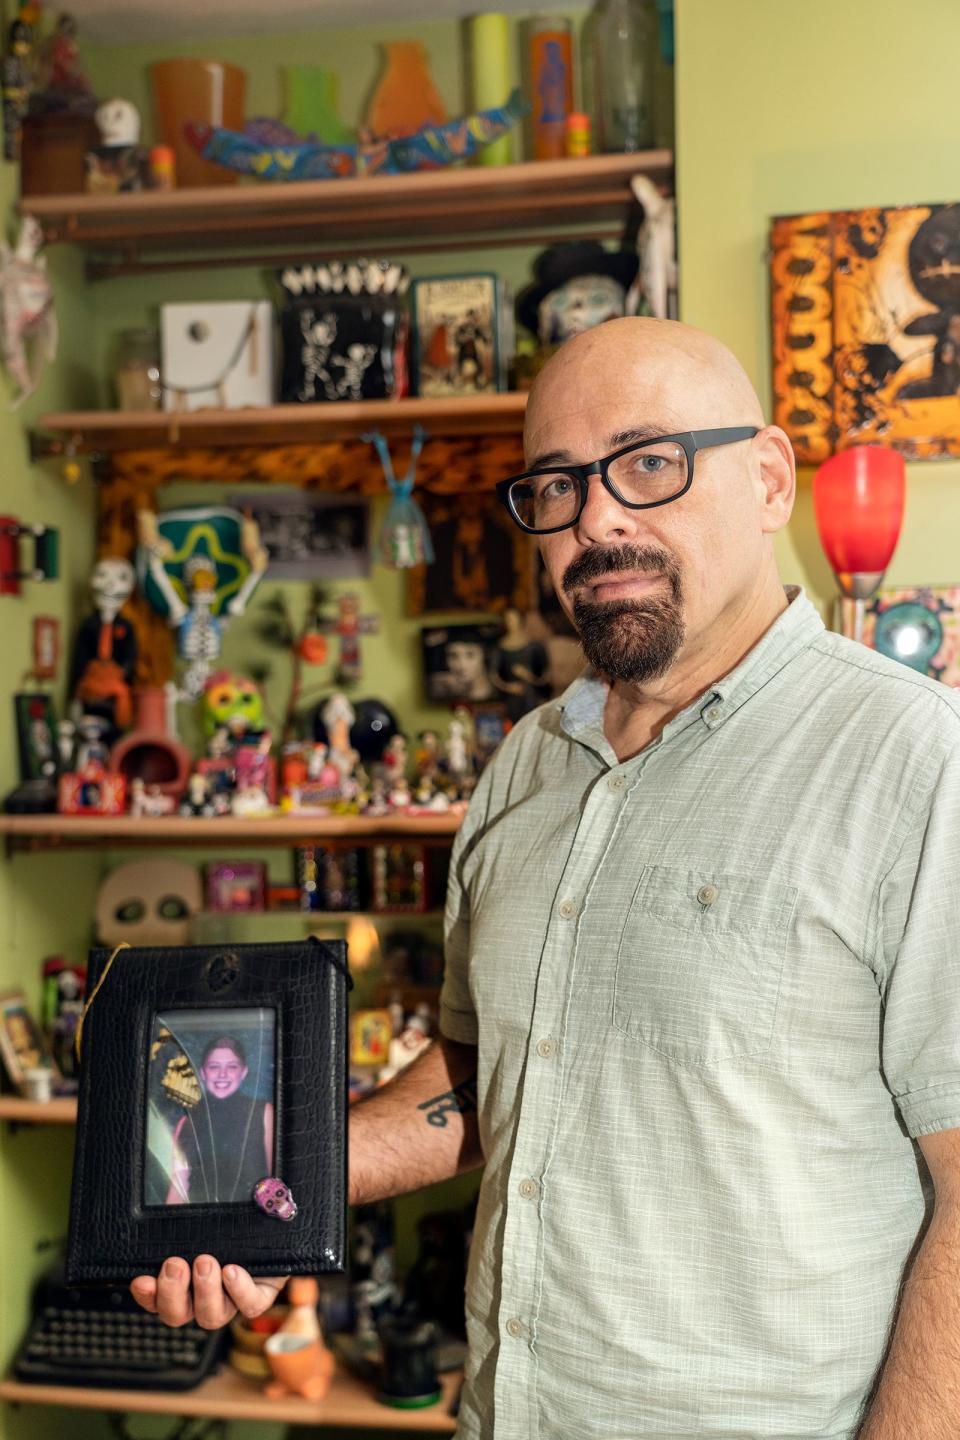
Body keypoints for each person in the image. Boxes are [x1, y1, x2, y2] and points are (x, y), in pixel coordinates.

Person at [132, 317, 960, 1440]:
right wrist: (263, 1195)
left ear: (769, 479)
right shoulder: (526, 765)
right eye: (556, 486)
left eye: (650, 462)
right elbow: (490, 1079)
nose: (599, 520)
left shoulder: (916, 759)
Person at [165, 1036, 274, 1206]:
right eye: (214, 1067)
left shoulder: (263, 1113)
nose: (222, 1074)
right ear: (202, 1073)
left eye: (232, 1066)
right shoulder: (186, 1121)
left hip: (252, 1223)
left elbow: (277, 1181)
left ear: (243, 1072)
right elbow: (178, 1189)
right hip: (200, 1222)